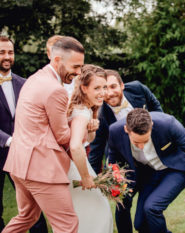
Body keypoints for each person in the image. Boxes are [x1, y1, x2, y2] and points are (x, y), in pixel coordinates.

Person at [2, 36, 92, 233]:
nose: (78, 73)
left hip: (19, 164)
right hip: (41, 168)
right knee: (67, 225)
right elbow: (62, 137)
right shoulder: (55, 90)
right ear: (57, 60)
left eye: (81, 67)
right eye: (75, 67)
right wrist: (83, 125)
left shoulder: (35, 79)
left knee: (26, 217)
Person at [0, 36, 47, 233]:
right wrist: (10, 140)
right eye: (2, 52)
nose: (7, 56)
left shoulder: (24, 83)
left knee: (33, 206)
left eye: (10, 52)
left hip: (22, 156)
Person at [108, 108, 185, 233]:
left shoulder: (168, 123)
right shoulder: (114, 131)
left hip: (175, 169)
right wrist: (115, 180)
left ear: (151, 126)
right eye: (136, 142)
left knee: (152, 208)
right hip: (150, 174)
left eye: (145, 141)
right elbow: (114, 161)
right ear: (126, 130)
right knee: (141, 224)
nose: (141, 146)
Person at [67, 64, 113, 233]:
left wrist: (91, 130)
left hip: (77, 166)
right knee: (96, 212)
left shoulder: (87, 108)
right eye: (97, 88)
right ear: (84, 88)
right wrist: (85, 177)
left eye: (104, 87)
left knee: (92, 211)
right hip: (75, 169)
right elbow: (75, 146)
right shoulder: (81, 113)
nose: (103, 92)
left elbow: (87, 141)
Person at [89, 69, 163, 174]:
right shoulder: (99, 115)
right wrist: (93, 178)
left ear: (122, 85)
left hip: (151, 147)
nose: (109, 93)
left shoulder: (138, 89)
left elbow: (157, 111)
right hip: (125, 159)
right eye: (105, 88)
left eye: (113, 86)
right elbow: (96, 149)